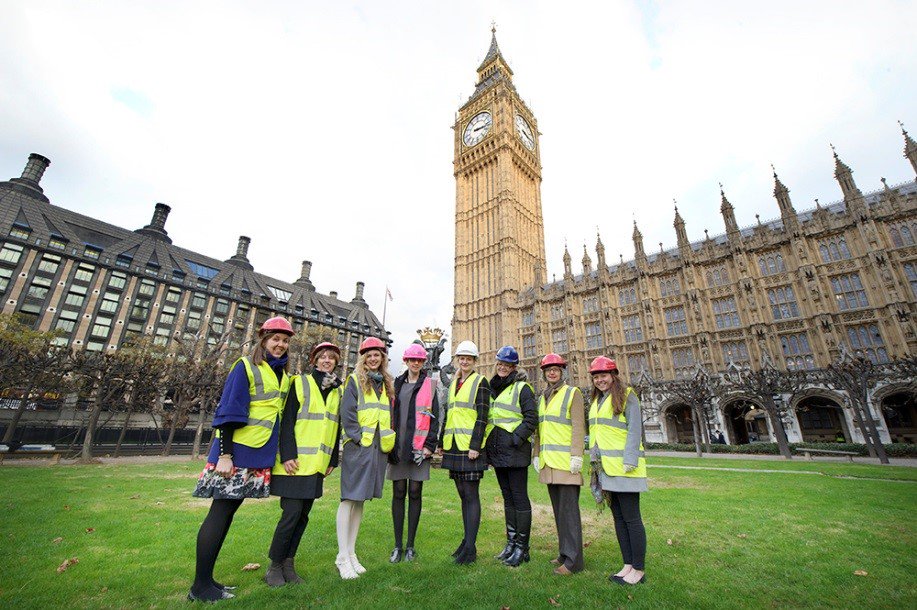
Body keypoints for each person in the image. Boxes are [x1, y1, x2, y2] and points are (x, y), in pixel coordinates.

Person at [188, 317, 295, 602]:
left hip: (256, 455)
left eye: (285, 341)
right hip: (235, 456)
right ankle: (200, 587)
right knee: (219, 514)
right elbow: (228, 411)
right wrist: (224, 454)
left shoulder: (280, 374)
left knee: (226, 516)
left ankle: (207, 581)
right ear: (263, 339)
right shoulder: (245, 366)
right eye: (275, 339)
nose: (280, 344)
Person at [263, 341, 343, 586]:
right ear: (314, 361)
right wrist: (287, 455)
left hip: (317, 464)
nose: (327, 361)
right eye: (322, 357)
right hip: (295, 464)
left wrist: (332, 460)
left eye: (331, 358)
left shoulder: (337, 391)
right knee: (291, 514)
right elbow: (287, 421)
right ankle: (274, 566)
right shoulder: (301, 383)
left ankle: (289, 564)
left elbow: (335, 426)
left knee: (303, 516)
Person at [335, 337, 395, 579]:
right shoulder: (354, 380)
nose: (373, 358)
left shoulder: (385, 383)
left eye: (377, 355)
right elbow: (347, 413)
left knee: (360, 500)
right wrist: (358, 438)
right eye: (369, 355)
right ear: (363, 357)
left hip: (377, 447)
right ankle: (341, 556)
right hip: (360, 446)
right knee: (349, 498)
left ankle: (351, 553)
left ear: (382, 358)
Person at [588, 356, 648, 586]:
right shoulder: (598, 400)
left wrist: (631, 459)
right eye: (596, 377)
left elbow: (634, 429)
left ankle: (639, 570)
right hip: (606, 468)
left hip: (625, 467)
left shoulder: (627, 396)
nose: (600, 380)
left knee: (632, 519)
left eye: (603, 376)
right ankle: (628, 564)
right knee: (619, 518)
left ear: (613, 375)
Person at [532, 353, 585, 576]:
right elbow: (540, 430)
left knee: (569, 513)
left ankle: (574, 561)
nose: (552, 372)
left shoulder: (572, 393)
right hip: (549, 463)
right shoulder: (544, 396)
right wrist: (536, 453)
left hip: (565, 463)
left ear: (562, 371)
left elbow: (578, 426)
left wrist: (577, 455)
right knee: (559, 512)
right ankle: (564, 553)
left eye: (556, 369)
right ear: (544, 373)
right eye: (548, 369)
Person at [386, 344, 440, 563]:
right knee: (399, 493)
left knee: (415, 492)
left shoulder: (430, 385)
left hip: (419, 449)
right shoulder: (394, 384)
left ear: (423, 363)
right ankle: (397, 546)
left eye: (419, 360)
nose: (415, 363)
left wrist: (429, 445)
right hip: (398, 448)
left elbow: (435, 417)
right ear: (406, 361)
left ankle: (410, 546)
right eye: (411, 360)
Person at [485, 345, 537, 567]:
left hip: (515, 452)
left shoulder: (522, 388)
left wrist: (516, 439)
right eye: (500, 364)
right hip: (498, 452)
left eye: (507, 365)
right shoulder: (493, 388)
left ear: (514, 367)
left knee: (519, 498)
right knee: (507, 500)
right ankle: (511, 543)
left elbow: (531, 418)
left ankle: (522, 548)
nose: (503, 367)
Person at [440, 340, 491, 565]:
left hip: (470, 447)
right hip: (453, 444)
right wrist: (442, 440)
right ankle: (466, 541)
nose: (464, 361)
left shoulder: (481, 382)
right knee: (463, 495)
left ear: (474, 361)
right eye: (461, 358)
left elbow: (482, 416)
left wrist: (476, 446)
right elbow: (449, 412)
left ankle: (470, 549)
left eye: (468, 358)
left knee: (471, 495)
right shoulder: (453, 383)